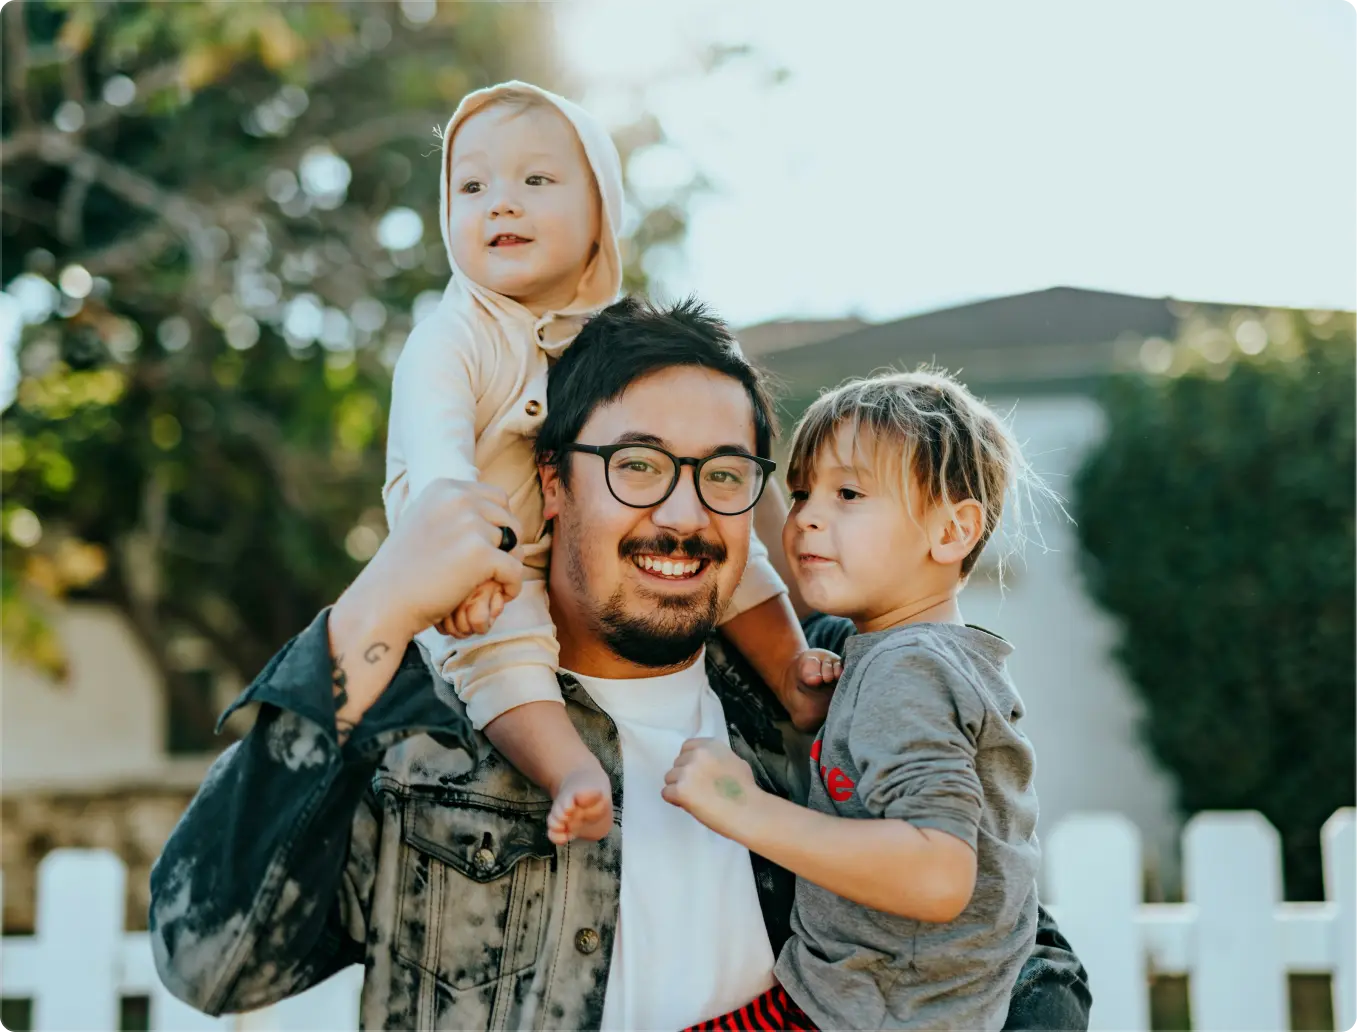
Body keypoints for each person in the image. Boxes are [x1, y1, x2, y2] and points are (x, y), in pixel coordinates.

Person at [149, 298, 1090, 1031]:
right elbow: (209, 960)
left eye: (723, 475)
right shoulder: (420, 725)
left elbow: (1012, 944)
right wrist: (375, 608)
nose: (682, 515)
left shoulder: (817, 692)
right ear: (552, 482)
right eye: (637, 465)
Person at [384, 81, 834, 846]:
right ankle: (570, 771)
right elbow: (438, 468)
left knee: (728, 549)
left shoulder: (612, 339)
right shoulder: (452, 337)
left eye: (534, 180)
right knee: (501, 653)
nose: (500, 204)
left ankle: (792, 674)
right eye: (472, 187)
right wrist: (464, 570)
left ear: (601, 213)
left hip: (561, 545)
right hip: (478, 560)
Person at [665, 369, 1056, 1030]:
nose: (806, 517)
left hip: (867, 1011)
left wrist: (740, 806)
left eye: (847, 493)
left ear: (952, 531)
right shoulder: (919, 657)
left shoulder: (906, 669)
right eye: (800, 492)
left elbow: (937, 874)